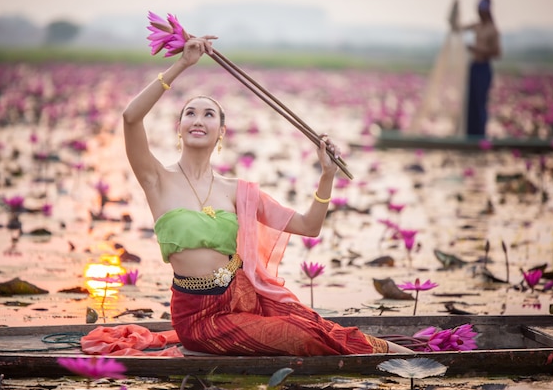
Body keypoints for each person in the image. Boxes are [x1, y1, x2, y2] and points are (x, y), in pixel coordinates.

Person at [122, 35, 413, 356]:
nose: (198, 120)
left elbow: (308, 226)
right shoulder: (157, 179)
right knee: (298, 335)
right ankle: (392, 354)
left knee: (314, 325)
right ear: (179, 128)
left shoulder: (237, 191)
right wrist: (182, 64)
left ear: (221, 132)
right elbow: (130, 118)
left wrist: (327, 176)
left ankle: (398, 352)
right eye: (190, 113)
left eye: (209, 115)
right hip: (198, 319)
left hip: (242, 296)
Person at [459, 0, 501, 137]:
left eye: (481, 10)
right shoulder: (477, 26)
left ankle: (480, 134)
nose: (479, 13)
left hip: (483, 68)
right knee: (470, 102)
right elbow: (459, 28)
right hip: (474, 66)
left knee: (480, 102)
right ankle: (470, 134)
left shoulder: (492, 29)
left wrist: (477, 50)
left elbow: (497, 53)